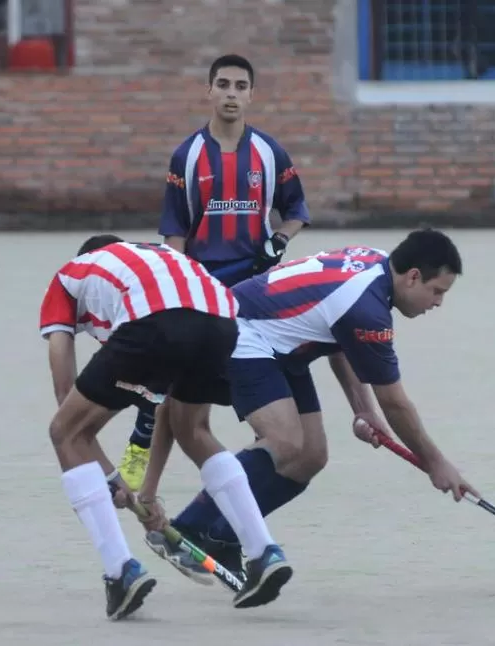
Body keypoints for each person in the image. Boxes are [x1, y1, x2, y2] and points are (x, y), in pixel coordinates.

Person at [137, 229, 479, 581]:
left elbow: (342, 336)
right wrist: (436, 463)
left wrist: (362, 409)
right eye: (436, 292)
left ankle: (222, 536)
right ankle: (189, 529)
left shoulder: (375, 262)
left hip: (288, 344)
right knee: (284, 442)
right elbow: (395, 403)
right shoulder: (369, 310)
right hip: (243, 330)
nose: (437, 303)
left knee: (311, 455)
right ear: (413, 277)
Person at [41, 235, 294, 618]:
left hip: (157, 321)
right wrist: (140, 493)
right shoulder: (151, 264)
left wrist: (109, 480)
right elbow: (160, 410)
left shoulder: (69, 277)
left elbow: (68, 403)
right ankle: (263, 551)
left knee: (64, 431)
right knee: (193, 428)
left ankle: (120, 571)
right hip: (221, 321)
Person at [117, 53, 311, 491]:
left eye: (240, 87)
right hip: (203, 286)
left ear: (251, 95)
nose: (231, 94)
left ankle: (263, 454)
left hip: (255, 289)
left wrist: (278, 241)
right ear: (209, 91)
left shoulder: (269, 151)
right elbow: (175, 231)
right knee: (179, 390)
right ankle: (143, 456)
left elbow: (296, 209)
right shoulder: (186, 155)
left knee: (263, 366)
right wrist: (180, 286)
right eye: (223, 85)